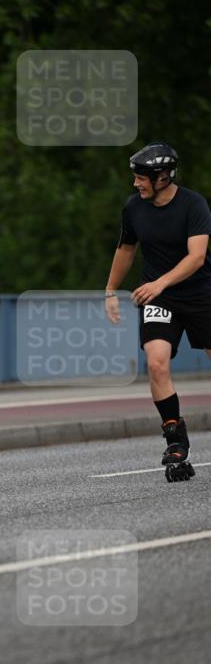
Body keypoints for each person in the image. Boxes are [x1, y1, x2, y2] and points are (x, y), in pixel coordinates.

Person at [104, 141, 211, 477]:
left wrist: (160, 283)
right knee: (156, 364)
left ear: (163, 176)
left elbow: (196, 257)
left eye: (142, 178)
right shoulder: (133, 208)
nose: (136, 183)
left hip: (199, 293)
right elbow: (125, 250)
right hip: (160, 299)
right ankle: (175, 439)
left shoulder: (194, 205)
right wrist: (110, 290)